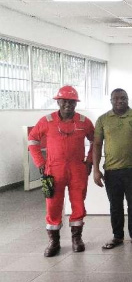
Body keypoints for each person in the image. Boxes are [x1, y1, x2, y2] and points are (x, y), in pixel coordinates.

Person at [28, 86, 94, 257]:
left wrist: (90, 160)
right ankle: (54, 241)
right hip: (53, 170)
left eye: (72, 102)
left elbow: (95, 141)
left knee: (78, 203)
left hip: (77, 169)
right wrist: (40, 162)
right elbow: (32, 140)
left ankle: (76, 238)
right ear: (58, 102)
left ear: (76, 103)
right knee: (53, 205)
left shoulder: (84, 121)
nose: (67, 105)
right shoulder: (47, 121)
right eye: (64, 101)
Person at [93, 89, 132, 249]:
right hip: (111, 170)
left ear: (128, 99)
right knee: (115, 205)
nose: (120, 101)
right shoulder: (103, 119)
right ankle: (117, 236)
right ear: (111, 100)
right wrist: (96, 169)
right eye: (116, 98)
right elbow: (97, 144)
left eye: (123, 98)